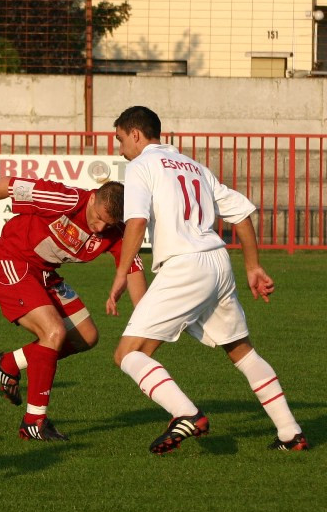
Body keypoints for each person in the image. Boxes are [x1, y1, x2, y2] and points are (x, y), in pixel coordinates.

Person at [107, 105, 308, 454]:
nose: (120, 149)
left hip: (185, 266)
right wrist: (252, 266)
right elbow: (242, 213)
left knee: (128, 353)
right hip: (218, 262)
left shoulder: (141, 165)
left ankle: (187, 414)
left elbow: (136, 222)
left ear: (136, 135)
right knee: (242, 351)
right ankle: (291, 433)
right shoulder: (194, 166)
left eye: (120, 140)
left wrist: (122, 273)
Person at [0, 178, 146, 441]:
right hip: (11, 261)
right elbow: (10, 185)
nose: (99, 228)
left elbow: (133, 269)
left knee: (86, 336)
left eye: (108, 224)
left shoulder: (116, 230)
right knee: (53, 332)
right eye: (98, 218)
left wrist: (146, 319)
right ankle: (34, 422)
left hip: (44, 274)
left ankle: (8, 363)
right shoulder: (66, 199)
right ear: (93, 197)